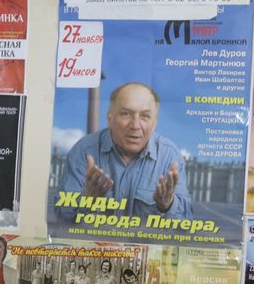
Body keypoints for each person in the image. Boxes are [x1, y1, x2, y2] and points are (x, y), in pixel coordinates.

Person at [57, 82, 191, 221]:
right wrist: (87, 200)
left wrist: (167, 205)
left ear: (154, 123)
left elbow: (185, 223)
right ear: (110, 118)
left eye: (145, 116)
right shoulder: (83, 151)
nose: (135, 125)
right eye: (126, 114)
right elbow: (62, 217)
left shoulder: (170, 157)